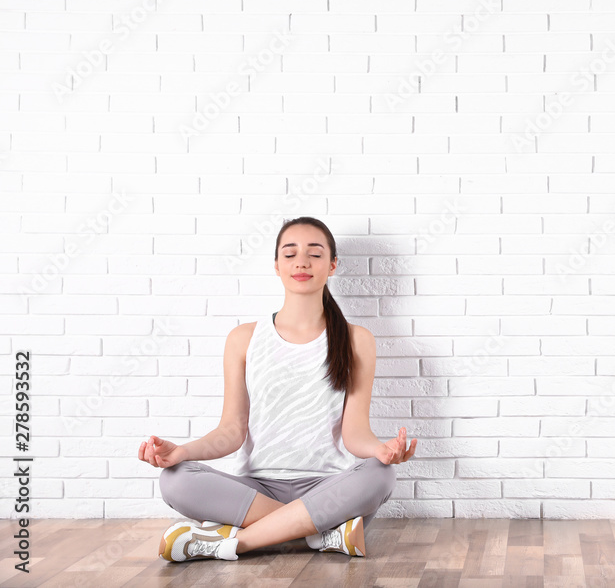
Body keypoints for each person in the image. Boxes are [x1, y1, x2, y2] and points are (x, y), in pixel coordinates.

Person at [138, 216, 416, 562]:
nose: (302, 262)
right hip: (257, 489)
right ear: (276, 265)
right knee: (175, 479)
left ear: (332, 266)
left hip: (327, 487)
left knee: (380, 475)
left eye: (315, 254)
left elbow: (355, 433)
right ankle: (320, 533)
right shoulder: (243, 340)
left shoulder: (358, 340)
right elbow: (231, 431)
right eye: (290, 254)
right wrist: (182, 452)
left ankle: (237, 542)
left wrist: (382, 450)